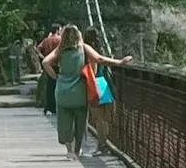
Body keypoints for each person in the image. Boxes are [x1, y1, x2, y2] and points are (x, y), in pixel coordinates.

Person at [42, 24, 132, 160]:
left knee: (64, 120)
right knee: (80, 121)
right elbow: (100, 59)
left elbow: (45, 62)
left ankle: (69, 150)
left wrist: (56, 77)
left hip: (62, 92)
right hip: (79, 91)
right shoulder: (83, 48)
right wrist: (120, 62)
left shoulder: (60, 50)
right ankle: (77, 151)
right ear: (78, 35)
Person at [83, 26, 115, 155]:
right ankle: (104, 145)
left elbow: (93, 71)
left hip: (95, 85)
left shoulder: (90, 52)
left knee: (99, 119)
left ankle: (101, 146)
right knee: (104, 119)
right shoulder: (101, 50)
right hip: (104, 84)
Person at [35, 24, 62, 115]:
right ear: (58, 30)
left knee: (49, 86)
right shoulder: (60, 40)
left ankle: (48, 106)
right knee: (57, 86)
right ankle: (55, 106)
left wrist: (43, 57)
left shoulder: (46, 40)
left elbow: (37, 49)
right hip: (57, 65)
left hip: (48, 65)